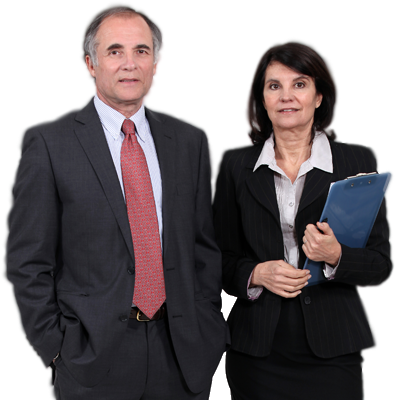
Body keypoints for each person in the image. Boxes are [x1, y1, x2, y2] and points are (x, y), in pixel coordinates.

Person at [3, 2, 229, 399]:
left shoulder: (188, 141)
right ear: (90, 64)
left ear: (156, 63)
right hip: (91, 359)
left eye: (141, 51)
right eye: (114, 51)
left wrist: (207, 324)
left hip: (181, 354)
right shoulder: (50, 143)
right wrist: (57, 349)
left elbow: (202, 248)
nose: (130, 64)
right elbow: (27, 261)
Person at [213, 39, 392, 400]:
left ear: (319, 96)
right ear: (262, 99)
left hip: (333, 346)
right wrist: (256, 273)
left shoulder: (356, 162)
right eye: (274, 86)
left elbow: (379, 264)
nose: (286, 96)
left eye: (299, 84)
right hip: (257, 350)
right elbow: (218, 259)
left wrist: (336, 255)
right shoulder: (235, 165)